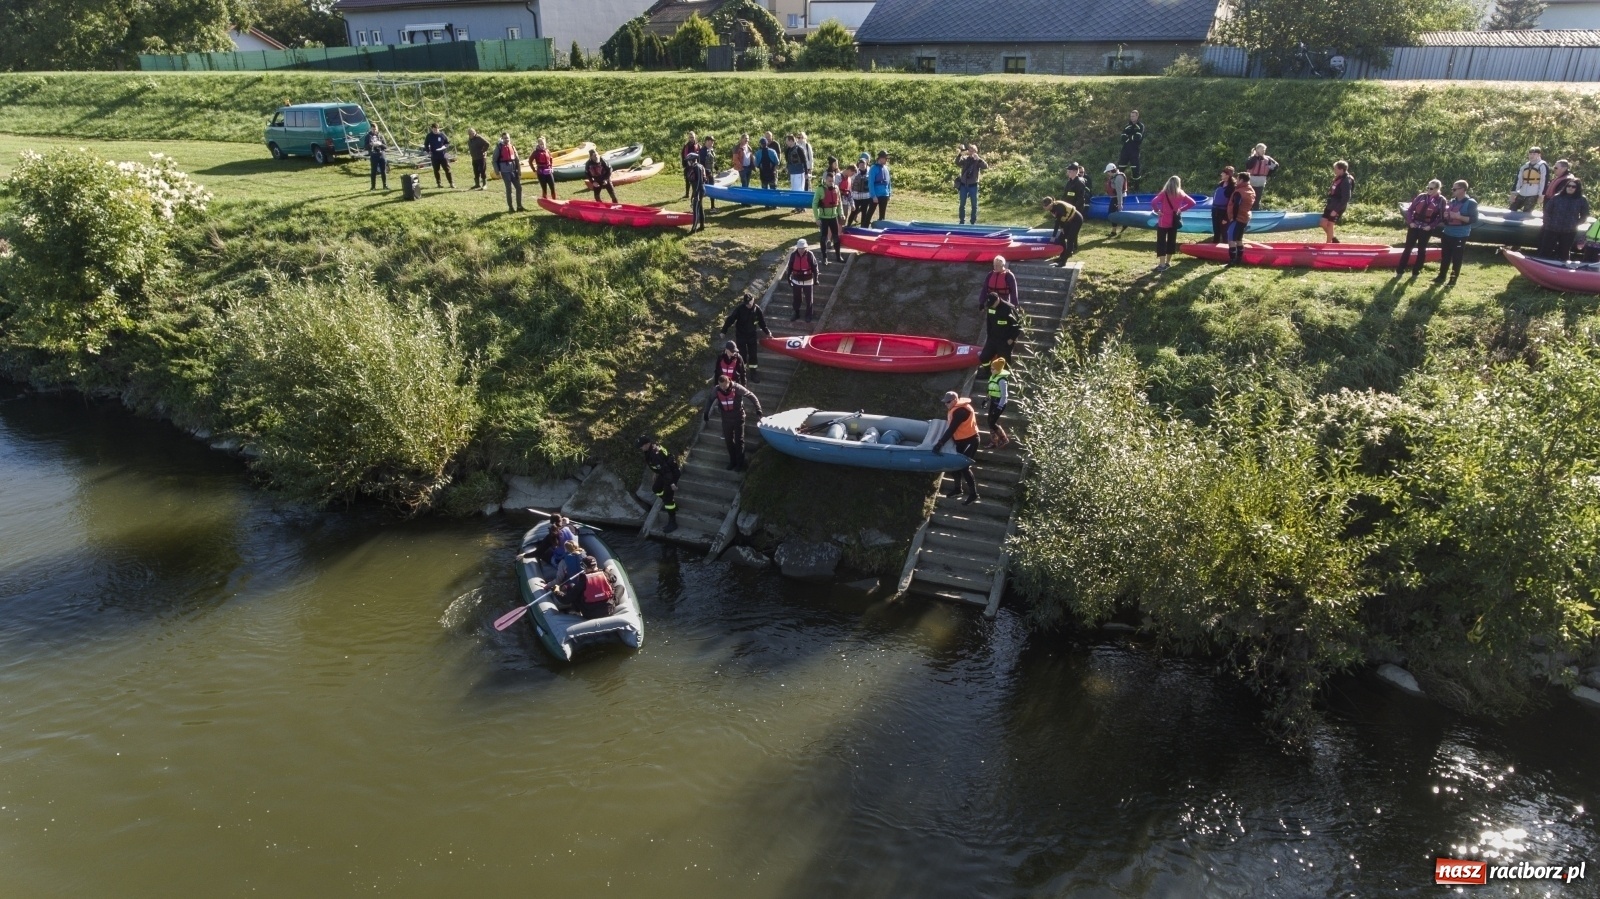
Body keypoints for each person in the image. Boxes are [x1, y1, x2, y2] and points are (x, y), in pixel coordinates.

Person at [703, 374, 763, 471]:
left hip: (738, 418)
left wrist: (758, 409)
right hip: (726, 419)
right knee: (728, 441)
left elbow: (751, 395)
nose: (722, 388)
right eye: (720, 386)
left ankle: (740, 463)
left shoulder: (737, 388)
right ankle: (733, 461)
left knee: (739, 441)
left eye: (724, 386)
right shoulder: (717, 389)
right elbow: (710, 400)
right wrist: (706, 413)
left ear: (729, 381)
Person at [932, 390, 979, 504]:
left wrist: (940, 443)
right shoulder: (954, 408)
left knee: (964, 467)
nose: (946, 404)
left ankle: (973, 494)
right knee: (954, 464)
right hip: (960, 441)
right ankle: (958, 489)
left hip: (971, 441)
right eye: (944, 402)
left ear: (954, 400)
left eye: (948, 402)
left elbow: (951, 429)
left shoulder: (961, 411)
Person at [1396, 179, 1446, 278]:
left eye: (1431, 188)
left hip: (1426, 228)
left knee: (1421, 250)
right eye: (1428, 187)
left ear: (1437, 189)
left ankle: (1416, 272)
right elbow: (1410, 210)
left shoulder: (1441, 200)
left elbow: (1440, 217)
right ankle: (1400, 271)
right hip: (1414, 225)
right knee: (1407, 248)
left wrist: (1430, 226)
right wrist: (1410, 222)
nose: (1428, 190)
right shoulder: (1421, 197)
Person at [721, 290, 773, 382]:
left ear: (753, 300)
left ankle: (753, 372)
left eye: (749, 303)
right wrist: (723, 331)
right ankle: (742, 373)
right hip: (741, 335)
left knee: (753, 355)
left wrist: (767, 332)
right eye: (746, 303)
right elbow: (731, 319)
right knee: (742, 355)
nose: (748, 305)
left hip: (752, 336)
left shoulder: (757, 310)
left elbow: (762, 323)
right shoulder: (740, 309)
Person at [1436, 180, 1478, 287]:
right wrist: (1445, 217)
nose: (1452, 191)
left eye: (1455, 189)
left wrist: (1459, 217)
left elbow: (1474, 219)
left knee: (1457, 258)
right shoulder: (1452, 201)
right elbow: (1446, 220)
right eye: (1452, 189)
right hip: (1447, 233)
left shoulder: (1471, 203)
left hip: (1460, 235)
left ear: (1462, 190)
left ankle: (1453, 280)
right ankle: (1441, 277)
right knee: (1445, 256)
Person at [1150, 175, 1196, 272]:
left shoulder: (1164, 193)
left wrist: (1157, 211)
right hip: (1174, 221)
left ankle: (1161, 265)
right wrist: (1180, 210)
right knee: (1171, 241)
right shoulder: (1181, 193)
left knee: (1161, 242)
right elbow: (1193, 202)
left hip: (1163, 221)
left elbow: (1154, 202)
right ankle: (1168, 262)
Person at [1538, 177, 1590, 262]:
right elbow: (1547, 211)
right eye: (1568, 186)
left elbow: (1585, 215)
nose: (1570, 188)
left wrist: (1575, 224)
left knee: (1564, 253)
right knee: (1545, 251)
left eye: (1573, 187)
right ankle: (1539, 266)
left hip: (1569, 231)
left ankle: (1562, 269)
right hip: (1551, 229)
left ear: (1577, 189)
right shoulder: (1557, 197)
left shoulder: (1582, 200)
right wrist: (1548, 222)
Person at [638, 435, 681, 533]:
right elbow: (662, 463)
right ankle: (669, 503)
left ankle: (672, 522)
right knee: (656, 489)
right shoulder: (652, 448)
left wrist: (672, 484)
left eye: (641, 446)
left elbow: (666, 470)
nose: (640, 448)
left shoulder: (654, 454)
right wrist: (655, 472)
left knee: (668, 498)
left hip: (671, 474)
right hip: (664, 472)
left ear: (647, 444)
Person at [555, 555, 618, 620]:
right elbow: (614, 579)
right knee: (619, 587)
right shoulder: (605, 574)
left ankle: (577, 611)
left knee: (571, 586)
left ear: (585, 567)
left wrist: (556, 591)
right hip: (608, 610)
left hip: (589, 614)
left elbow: (566, 600)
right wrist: (607, 570)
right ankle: (614, 604)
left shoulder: (583, 580)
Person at [979, 290, 1020, 365]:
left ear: (998, 299)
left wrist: (1012, 339)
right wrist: (989, 337)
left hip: (1005, 340)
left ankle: (1003, 376)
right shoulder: (991, 307)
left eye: (992, 304)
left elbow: (1018, 325)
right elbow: (989, 323)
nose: (991, 306)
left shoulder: (1009, 308)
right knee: (983, 357)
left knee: (1003, 362)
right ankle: (988, 371)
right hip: (993, 338)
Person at [781, 239, 819, 322]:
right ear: (797, 248)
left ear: (806, 247)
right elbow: (790, 267)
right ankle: (796, 313)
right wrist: (788, 278)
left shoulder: (810, 255)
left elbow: (815, 267)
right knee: (796, 298)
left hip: (808, 280)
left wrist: (816, 279)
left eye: (803, 248)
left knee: (809, 299)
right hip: (796, 280)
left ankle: (809, 315)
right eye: (800, 248)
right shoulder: (793, 255)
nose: (801, 250)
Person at [812, 165, 843, 263]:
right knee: (824, 237)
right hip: (823, 217)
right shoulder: (820, 189)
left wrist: (841, 214)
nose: (831, 183)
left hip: (833, 217)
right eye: (829, 181)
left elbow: (839, 202)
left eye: (832, 181)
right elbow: (814, 204)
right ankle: (824, 257)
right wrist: (817, 218)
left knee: (836, 237)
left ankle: (838, 256)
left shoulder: (836, 188)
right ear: (825, 180)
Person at [1226, 172, 1257, 265]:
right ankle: (1239, 259)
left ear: (1241, 180)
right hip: (1245, 217)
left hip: (1238, 218)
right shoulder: (1250, 190)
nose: (1236, 180)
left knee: (1231, 238)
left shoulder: (1239, 192)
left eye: (1238, 178)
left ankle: (1232, 261)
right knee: (1239, 239)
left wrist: (1233, 217)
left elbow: (1236, 204)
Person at [1043, 197, 1083, 266]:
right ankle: (1062, 256)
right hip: (1068, 221)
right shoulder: (1051, 208)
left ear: (1051, 203)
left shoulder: (1058, 207)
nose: (1044, 207)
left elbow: (1058, 221)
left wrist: (1053, 236)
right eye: (1043, 206)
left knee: (1070, 240)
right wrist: (1062, 228)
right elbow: (1060, 219)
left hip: (1076, 220)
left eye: (1046, 205)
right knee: (1061, 238)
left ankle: (1064, 261)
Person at [955, 143, 989, 225]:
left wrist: (979, 159)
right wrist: (960, 154)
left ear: (976, 151)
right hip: (963, 185)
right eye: (970, 150)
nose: (971, 152)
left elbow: (985, 166)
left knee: (974, 205)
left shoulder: (977, 161)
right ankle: (961, 221)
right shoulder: (965, 159)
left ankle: (973, 222)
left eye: (973, 150)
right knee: (962, 204)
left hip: (973, 186)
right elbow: (957, 163)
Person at [1321, 160, 1353, 244]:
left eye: (1335, 169)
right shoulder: (1339, 177)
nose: (1334, 171)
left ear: (1341, 169)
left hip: (1338, 206)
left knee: (1330, 224)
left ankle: (1328, 244)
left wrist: (1336, 210)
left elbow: (1346, 197)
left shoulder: (1346, 180)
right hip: (1331, 204)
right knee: (1323, 222)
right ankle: (1333, 239)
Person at [984, 357, 1013, 449]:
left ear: (998, 369)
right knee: (989, 421)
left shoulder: (1002, 380)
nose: (991, 370)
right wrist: (986, 399)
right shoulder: (993, 376)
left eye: (993, 369)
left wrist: (999, 407)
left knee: (992, 422)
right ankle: (994, 441)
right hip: (993, 401)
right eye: (991, 368)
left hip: (1000, 403)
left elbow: (1004, 396)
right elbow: (990, 390)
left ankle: (1004, 439)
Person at [1509, 147, 1549, 213]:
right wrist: (1513, 193)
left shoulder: (1542, 165)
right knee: (1512, 208)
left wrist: (1541, 195)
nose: (1531, 156)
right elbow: (1518, 180)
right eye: (1530, 154)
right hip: (1522, 192)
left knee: (1527, 212)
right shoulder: (1525, 166)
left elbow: (1544, 181)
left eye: (1534, 154)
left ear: (1539, 155)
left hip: (1533, 193)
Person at [494, 132, 524, 212]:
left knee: (519, 188)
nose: (506, 139)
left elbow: (517, 159)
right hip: (505, 171)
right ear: (502, 139)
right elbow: (494, 160)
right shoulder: (499, 147)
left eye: (507, 138)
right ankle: (511, 207)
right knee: (509, 189)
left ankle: (519, 206)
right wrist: (497, 172)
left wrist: (519, 171)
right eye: (505, 138)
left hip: (514, 170)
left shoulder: (512, 147)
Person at [1244, 143, 1278, 209]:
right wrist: (1255, 157)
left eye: (1264, 150)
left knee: (1257, 199)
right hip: (1251, 180)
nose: (1263, 151)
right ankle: (1248, 211)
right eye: (1262, 150)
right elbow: (1248, 166)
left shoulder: (1267, 159)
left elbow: (1276, 166)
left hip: (1261, 181)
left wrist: (1268, 174)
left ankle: (1256, 211)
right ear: (1257, 150)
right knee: (1249, 198)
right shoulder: (1251, 158)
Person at [1209, 166, 1236, 244]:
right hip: (1215, 211)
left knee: (1224, 231)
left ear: (1227, 175)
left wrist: (1226, 217)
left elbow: (1232, 204)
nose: (1221, 174)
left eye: (1223, 173)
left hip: (1223, 212)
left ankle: (1225, 247)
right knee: (1216, 230)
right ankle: (1215, 246)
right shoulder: (1220, 184)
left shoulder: (1232, 187)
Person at [423, 123, 453, 189]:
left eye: (437, 129)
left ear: (439, 128)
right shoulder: (429, 136)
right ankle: (439, 183)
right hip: (434, 156)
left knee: (447, 169)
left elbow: (447, 143)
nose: (436, 130)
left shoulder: (442, 135)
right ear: (432, 129)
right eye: (434, 129)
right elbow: (426, 144)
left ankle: (451, 183)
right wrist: (428, 151)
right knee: (436, 170)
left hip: (443, 155)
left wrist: (444, 146)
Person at [1118, 109, 1144, 185]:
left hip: (1134, 150)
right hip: (1125, 150)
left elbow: (1138, 137)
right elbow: (1122, 137)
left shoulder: (1140, 126)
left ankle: (1137, 187)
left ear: (1137, 116)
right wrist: (1131, 138)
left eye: (1133, 116)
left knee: (1135, 169)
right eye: (1131, 116)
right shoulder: (1127, 126)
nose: (1132, 118)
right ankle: (1119, 186)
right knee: (1121, 168)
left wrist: (1128, 137)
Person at [685, 150, 708, 233]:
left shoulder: (697, 167)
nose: (688, 163)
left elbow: (699, 181)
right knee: (700, 208)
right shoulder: (699, 166)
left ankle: (693, 229)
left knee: (696, 210)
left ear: (692, 160)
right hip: (698, 190)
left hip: (698, 190)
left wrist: (696, 193)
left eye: (688, 161)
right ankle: (702, 226)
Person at [1103, 163, 1128, 236]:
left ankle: (1116, 230)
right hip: (1115, 197)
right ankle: (1118, 228)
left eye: (1108, 172)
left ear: (1111, 171)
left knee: (1112, 213)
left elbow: (1119, 191)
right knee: (1113, 213)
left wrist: (1120, 203)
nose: (1107, 174)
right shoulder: (1114, 176)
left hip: (1118, 197)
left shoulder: (1119, 178)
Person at [850, 153, 874, 227]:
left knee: (864, 211)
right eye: (860, 164)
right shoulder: (855, 171)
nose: (862, 165)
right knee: (854, 211)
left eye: (863, 164)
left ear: (867, 163)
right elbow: (851, 182)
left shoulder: (870, 170)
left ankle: (863, 226)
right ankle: (848, 225)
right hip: (856, 196)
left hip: (866, 196)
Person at [869, 151, 893, 223]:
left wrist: (889, 193)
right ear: (881, 158)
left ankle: (880, 229)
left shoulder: (886, 168)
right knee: (870, 212)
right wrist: (873, 196)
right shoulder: (873, 168)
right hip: (876, 195)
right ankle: (864, 226)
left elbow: (889, 182)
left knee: (882, 215)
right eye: (885, 158)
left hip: (884, 195)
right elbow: (870, 183)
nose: (886, 160)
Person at [698, 136, 718, 210]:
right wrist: (706, 172)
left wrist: (717, 169)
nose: (712, 142)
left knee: (712, 190)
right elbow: (701, 163)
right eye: (710, 141)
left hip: (711, 174)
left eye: (713, 141)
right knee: (702, 190)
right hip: (704, 174)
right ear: (706, 141)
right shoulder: (702, 151)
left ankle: (712, 207)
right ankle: (698, 205)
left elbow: (713, 162)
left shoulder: (712, 150)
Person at [681, 131, 699, 199]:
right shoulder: (686, 146)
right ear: (688, 138)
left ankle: (694, 194)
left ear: (695, 137)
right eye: (690, 137)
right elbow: (683, 155)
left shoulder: (698, 145)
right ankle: (687, 194)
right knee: (687, 180)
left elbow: (699, 154)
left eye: (693, 137)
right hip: (688, 165)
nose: (691, 138)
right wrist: (684, 163)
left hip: (695, 165)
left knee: (694, 180)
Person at [839, 162, 858, 227]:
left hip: (845, 202)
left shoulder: (849, 179)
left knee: (844, 218)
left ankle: (840, 232)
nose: (852, 175)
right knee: (837, 219)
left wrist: (852, 204)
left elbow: (850, 193)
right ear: (849, 170)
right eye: (852, 173)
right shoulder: (838, 176)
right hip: (838, 202)